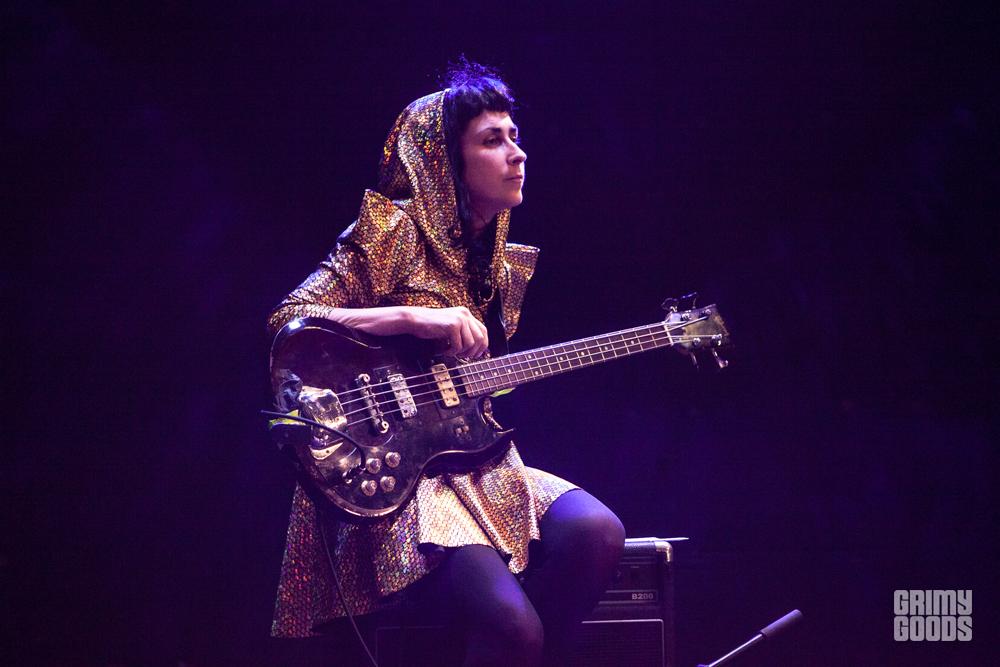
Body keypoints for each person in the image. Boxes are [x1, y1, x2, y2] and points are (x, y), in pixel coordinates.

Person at [266, 60, 625, 667]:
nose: (517, 153)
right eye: (492, 140)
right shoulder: (392, 231)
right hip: (399, 477)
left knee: (598, 534)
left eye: (514, 137)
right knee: (517, 631)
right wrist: (414, 317)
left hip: (470, 462)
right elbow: (289, 319)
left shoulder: (494, 262)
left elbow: (464, 390)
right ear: (445, 164)